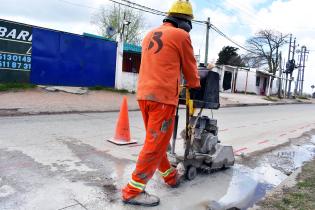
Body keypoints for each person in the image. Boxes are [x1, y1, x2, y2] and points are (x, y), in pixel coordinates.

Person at [122, 0, 200, 207]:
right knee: (155, 145)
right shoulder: (182, 36)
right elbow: (190, 68)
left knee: (157, 142)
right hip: (163, 98)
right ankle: (132, 191)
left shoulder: (150, 34)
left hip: (144, 94)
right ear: (185, 22)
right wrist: (194, 84)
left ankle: (170, 176)